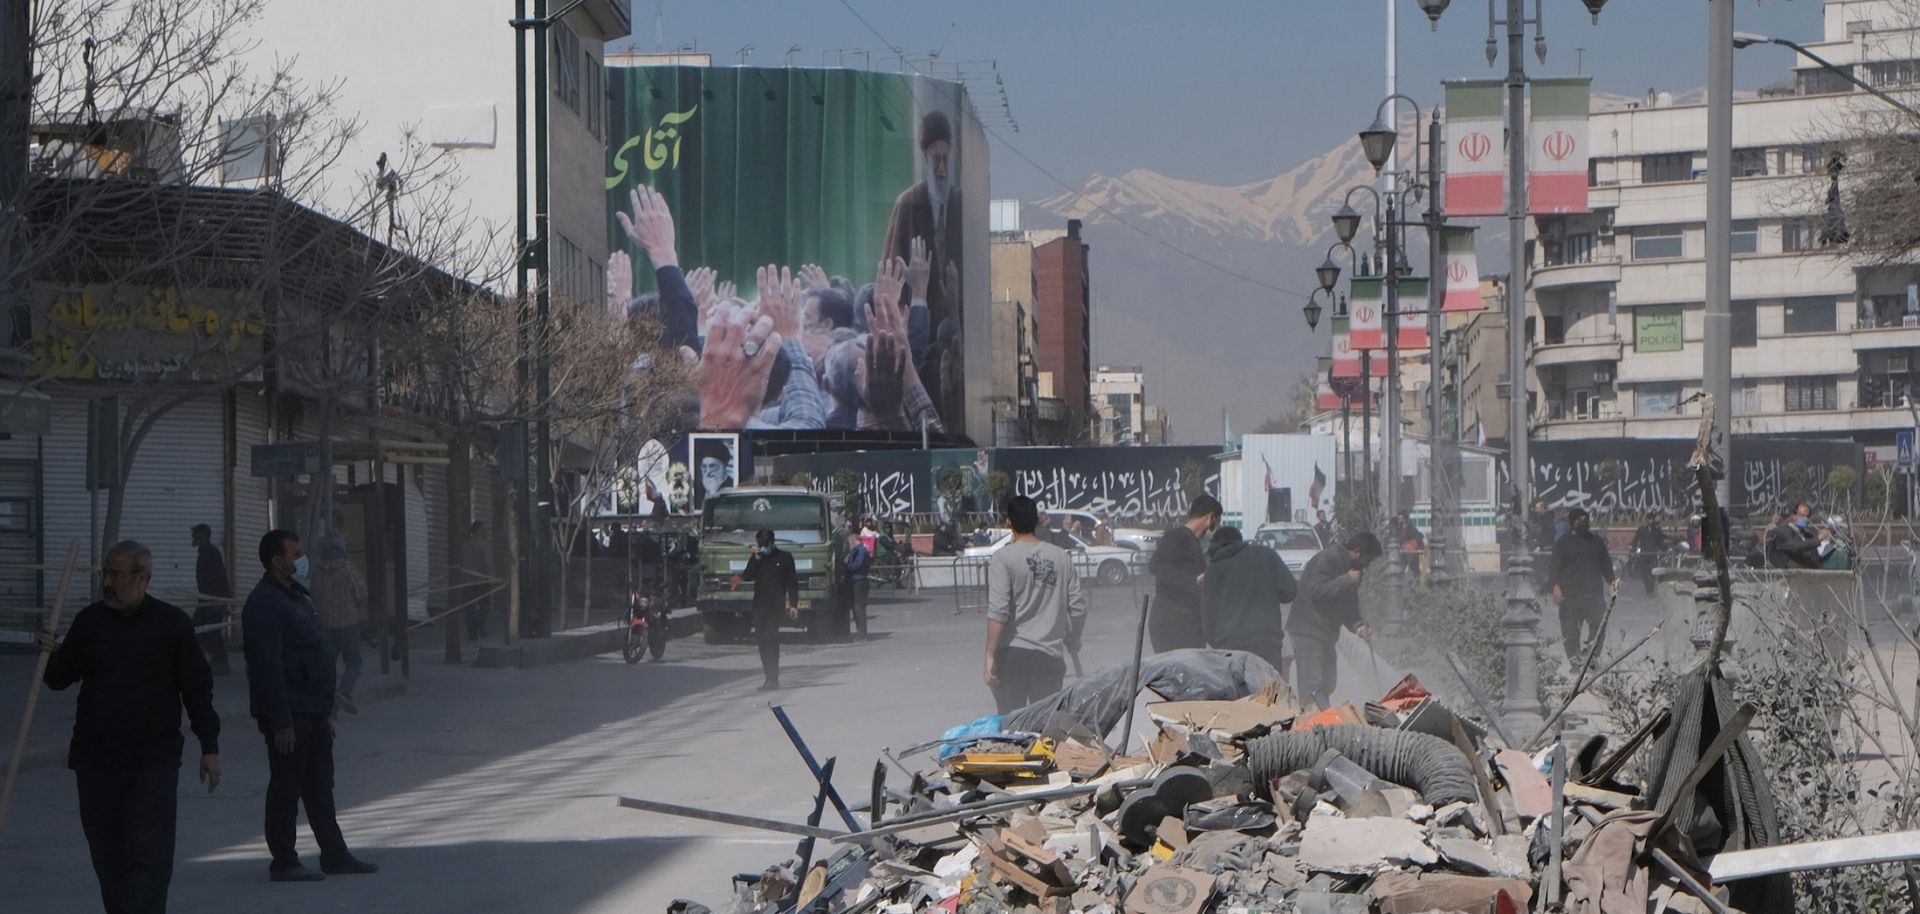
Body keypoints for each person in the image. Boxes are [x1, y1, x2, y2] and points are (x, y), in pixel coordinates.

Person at [39, 540, 220, 914]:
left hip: (151, 762)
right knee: (109, 860)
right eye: (106, 572)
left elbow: (197, 689)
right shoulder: (90, 622)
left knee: (148, 857)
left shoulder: (171, 624)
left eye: (117, 574)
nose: (108, 581)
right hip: (95, 761)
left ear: (142, 578)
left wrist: (210, 745)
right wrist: (48, 653)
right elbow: (59, 678)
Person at [243, 530, 378, 882]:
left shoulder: (296, 597)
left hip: (312, 711)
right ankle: (284, 861)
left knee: (320, 786)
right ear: (277, 561)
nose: (302, 558)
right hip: (290, 713)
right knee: (286, 787)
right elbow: (267, 667)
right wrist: (281, 721)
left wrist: (326, 708)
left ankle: (334, 854)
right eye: (296, 553)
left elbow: (315, 653)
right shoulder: (265, 603)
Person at [984, 496, 1087, 714]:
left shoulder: (1003, 558)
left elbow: (999, 611)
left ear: (1009, 523)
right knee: (1044, 728)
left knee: (1012, 728)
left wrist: (990, 655)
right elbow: (1078, 607)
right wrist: (1074, 636)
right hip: (1049, 658)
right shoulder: (1061, 557)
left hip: (1011, 656)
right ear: (1036, 521)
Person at [882, 110, 963, 336]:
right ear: (926, 156)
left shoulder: (961, 204)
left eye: (945, 159)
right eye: (936, 159)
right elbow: (890, 279)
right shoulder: (907, 204)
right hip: (916, 332)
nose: (942, 169)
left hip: (955, 338)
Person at [1286, 532, 1382, 710]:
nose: (1367, 565)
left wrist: (1358, 625)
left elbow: (1347, 605)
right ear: (1358, 552)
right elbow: (1317, 590)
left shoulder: (1352, 569)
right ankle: (1313, 723)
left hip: (1326, 634)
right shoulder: (1328, 559)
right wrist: (1346, 580)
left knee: (1328, 682)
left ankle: (1322, 717)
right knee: (1312, 685)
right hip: (1308, 630)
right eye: (1367, 560)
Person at [1201, 525, 1299, 673]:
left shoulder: (1213, 569)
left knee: (1239, 694)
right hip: (1267, 641)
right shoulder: (1266, 554)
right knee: (1268, 692)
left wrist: (1218, 644)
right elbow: (1290, 592)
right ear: (1240, 541)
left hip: (1230, 645)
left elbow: (1208, 617)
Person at [1147, 495, 1222, 652]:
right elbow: (1157, 565)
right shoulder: (1178, 536)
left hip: (1187, 622)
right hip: (1174, 623)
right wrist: (1193, 581)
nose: (1212, 529)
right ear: (1211, 516)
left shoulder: (1192, 541)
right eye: (1215, 523)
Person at [1549, 507, 1616, 660]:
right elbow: (1554, 567)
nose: (1583, 521)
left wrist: (1612, 584)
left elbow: (1606, 565)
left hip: (1594, 595)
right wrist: (1555, 587)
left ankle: (1590, 659)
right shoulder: (1563, 543)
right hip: (1570, 596)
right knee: (1570, 631)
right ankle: (1574, 660)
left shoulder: (1596, 542)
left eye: (1585, 518)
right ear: (1572, 522)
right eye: (1579, 519)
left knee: (1599, 627)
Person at [310, 537, 367, 715]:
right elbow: (361, 594)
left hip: (325, 624)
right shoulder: (348, 569)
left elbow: (313, 595)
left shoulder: (317, 571)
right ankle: (344, 692)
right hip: (347, 623)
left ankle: (330, 705)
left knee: (328, 664)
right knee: (353, 660)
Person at [742, 528, 799, 690]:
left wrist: (793, 604)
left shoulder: (785, 558)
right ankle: (768, 676)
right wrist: (756, 559)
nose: (762, 547)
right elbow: (746, 576)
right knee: (762, 642)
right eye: (759, 544)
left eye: (764, 544)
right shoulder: (757, 558)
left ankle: (774, 678)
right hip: (759, 606)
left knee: (772, 640)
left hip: (776, 607)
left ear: (772, 543)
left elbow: (792, 583)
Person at [191, 523, 232, 675]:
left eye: (195, 535)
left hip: (212, 600)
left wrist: (218, 602)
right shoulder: (205, 552)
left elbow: (218, 578)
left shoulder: (210, 552)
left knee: (208, 630)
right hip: (206, 600)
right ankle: (218, 660)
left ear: (203, 536)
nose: (193, 538)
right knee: (201, 629)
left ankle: (220, 661)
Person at [458, 521, 493, 640]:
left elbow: (461, 563)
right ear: (478, 530)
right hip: (481, 580)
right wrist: (489, 577)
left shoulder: (464, 546)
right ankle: (480, 624)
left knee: (470, 608)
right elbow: (487, 563)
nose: (485, 532)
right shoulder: (484, 545)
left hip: (467, 581)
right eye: (483, 530)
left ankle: (473, 634)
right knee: (484, 606)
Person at [1630, 510, 1668, 596]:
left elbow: (1661, 542)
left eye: (1652, 519)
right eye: (1649, 519)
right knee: (1644, 574)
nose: (1651, 521)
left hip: (1653, 555)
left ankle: (1650, 589)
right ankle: (1648, 588)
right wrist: (1633, 550)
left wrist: (1662, 549)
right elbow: (1635, 540)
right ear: (1647, 520)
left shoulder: (1657, 530)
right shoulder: (1641, 530)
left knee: (1652, 574)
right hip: (1643, 555)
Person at [844, 530, 872, 638]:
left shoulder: (861, 551)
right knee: (856, 608)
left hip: (859, 581)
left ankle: (862, 633)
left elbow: (857, 565)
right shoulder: (856, 551)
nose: (849, 544)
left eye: (849, 542)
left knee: (859, 608)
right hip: (855, 581)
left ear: (853, 540)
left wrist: (848, 568)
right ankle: (860, 632)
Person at [1391, 512, 1425, 582]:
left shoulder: (1409, 528)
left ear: (1405, 519)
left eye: (1400, 518)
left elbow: (1419, 537)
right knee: (1401, 569)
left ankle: (1417, 582)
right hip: (1402, 552)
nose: (1398, 520)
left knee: (1414, 569)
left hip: (1410, 552)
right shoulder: (1396, 527)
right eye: (1398, 518)